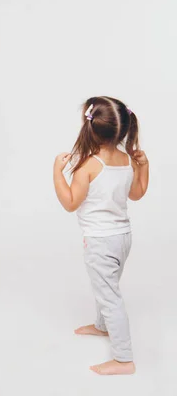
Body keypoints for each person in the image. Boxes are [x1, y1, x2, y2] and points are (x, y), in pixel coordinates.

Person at [53, 96, 149, 375]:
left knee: (109, 294)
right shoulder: (126, 160)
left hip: (100, 241)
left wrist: (56, 173)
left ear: (90, 128)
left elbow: (70, 203)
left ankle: (123, 359)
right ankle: (102, 325)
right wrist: (144, 166)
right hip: (123, 238)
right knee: (106, 286)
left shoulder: (88, 166)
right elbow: (137, 194)